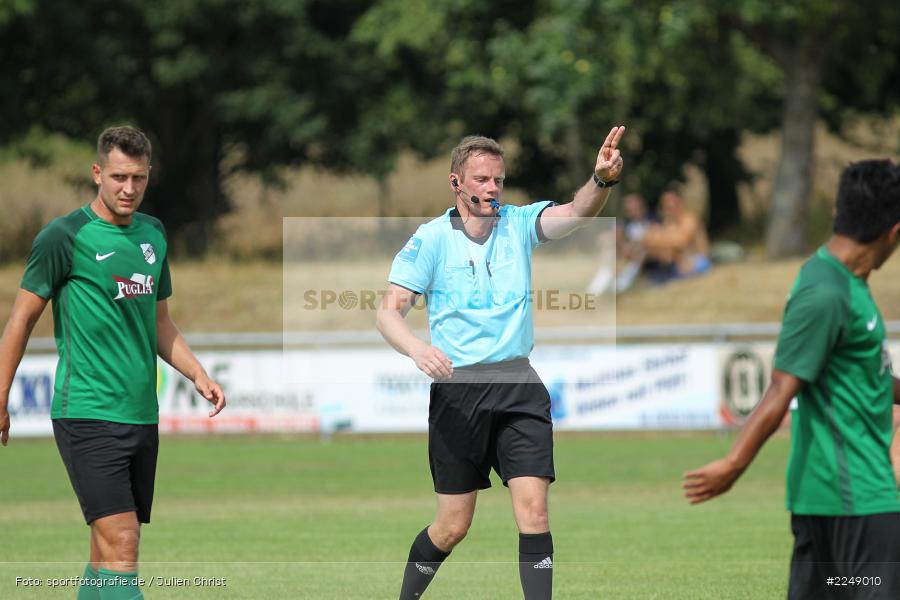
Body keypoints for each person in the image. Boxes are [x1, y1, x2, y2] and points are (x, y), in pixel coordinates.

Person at [376, 126, 625, 599]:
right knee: (452, 527)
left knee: (535, 513)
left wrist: (601, 180)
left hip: (518, 388)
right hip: (459, 392)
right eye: (483, 180)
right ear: (457, 183)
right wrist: (418, 348)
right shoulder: (429, 240)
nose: (493, 189)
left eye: (499, 180)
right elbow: (388, 312)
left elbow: (575, 212)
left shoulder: (518, 223)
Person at [0, 126, 226, 599]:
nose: (129, 189)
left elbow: (160, 323)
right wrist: (0, 397)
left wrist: (198, 372)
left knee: (104, 555)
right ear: (97, 173)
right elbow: (19, 322)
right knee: (123, 543)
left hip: (140, 413)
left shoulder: (153, 234)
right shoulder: (63, 236)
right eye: (119, 177)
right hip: (86, 411)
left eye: (139, 178)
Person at [683, 159, 900, 600]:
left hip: (832, 500)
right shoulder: (827, 291)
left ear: (838, 212)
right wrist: (733, 464)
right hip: (857, 504)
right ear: (893, 233)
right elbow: (782, 388)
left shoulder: (847, 283)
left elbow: (868, 380)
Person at [641, 190, 711, 282]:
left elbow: (682, 241)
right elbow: (647, 241)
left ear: (680, 203)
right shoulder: (668, 223)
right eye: (666, 206)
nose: (670, 208)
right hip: (676, 265)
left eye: (672, 204)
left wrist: (658, 238)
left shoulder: (689, 219)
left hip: (698, 261)